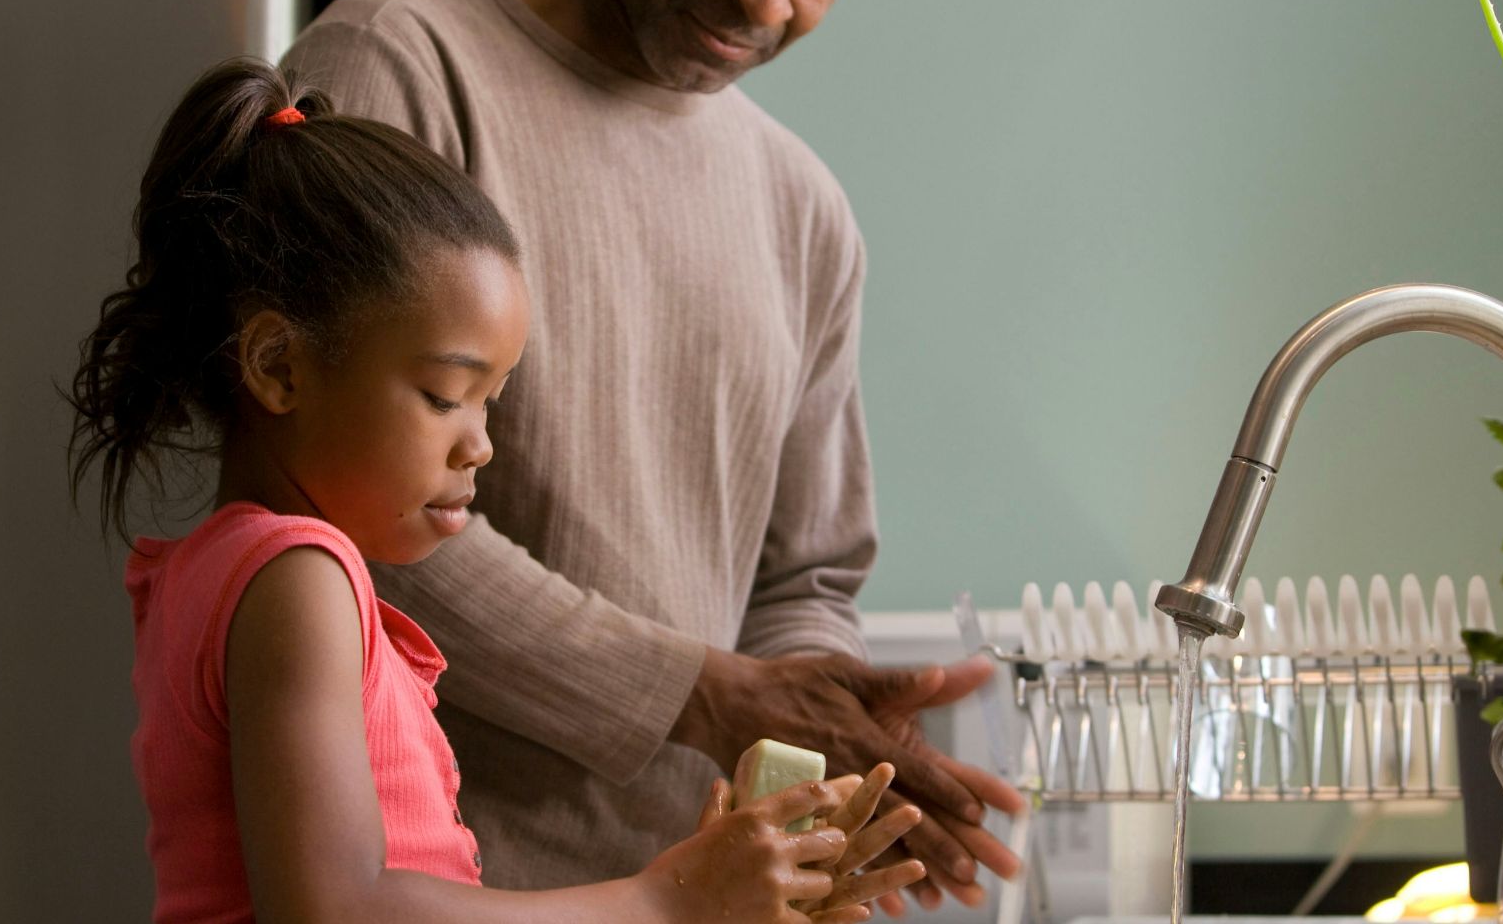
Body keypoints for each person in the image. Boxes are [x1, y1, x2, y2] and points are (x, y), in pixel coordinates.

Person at [281, 0, 1022, 912]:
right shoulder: (398, 68)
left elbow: (804, 578)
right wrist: (702, 696)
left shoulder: (802, 209)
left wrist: (824, 736)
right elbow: (334, 500)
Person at [67, 58, 925, 923]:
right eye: (445, 395)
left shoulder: (228, 570)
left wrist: (704, 894)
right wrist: (666, 899)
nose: (480, 445)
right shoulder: (297, 576)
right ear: (279, 365)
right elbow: (338, 907)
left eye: (491, 401)